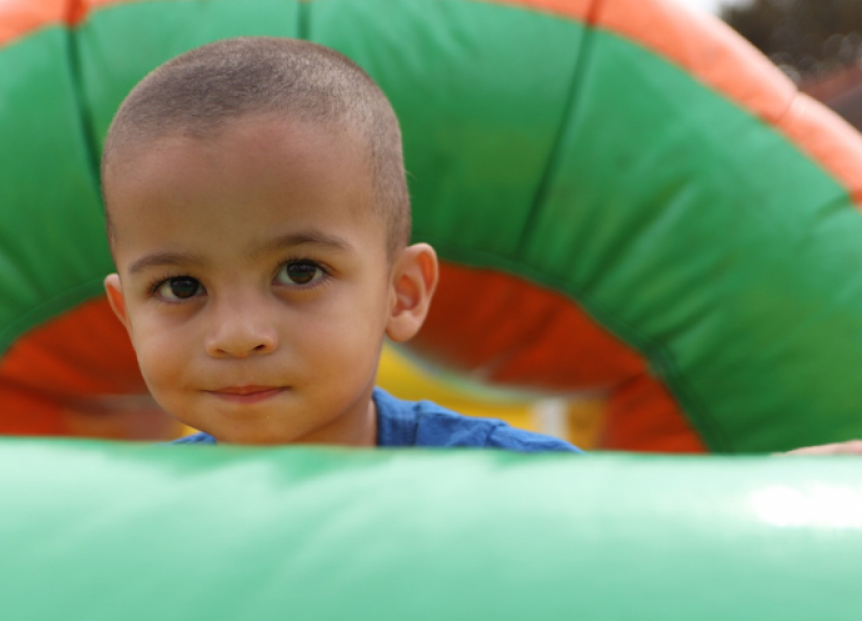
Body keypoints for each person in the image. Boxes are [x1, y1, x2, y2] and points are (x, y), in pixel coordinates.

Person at [99, 36, 579, 452]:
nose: (238, 335)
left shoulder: (524, 492)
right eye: (181, 287)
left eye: (300, 272)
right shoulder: (129, 524)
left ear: (402, 292)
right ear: (127, 316)